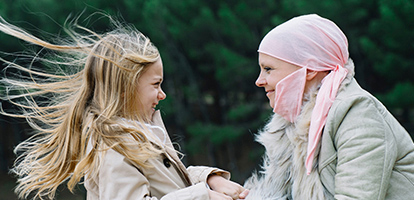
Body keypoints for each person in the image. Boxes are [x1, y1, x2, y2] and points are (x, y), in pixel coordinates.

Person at [0, 15, 248, 200]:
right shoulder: (111, 147)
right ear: (125, 86)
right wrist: (203, 196)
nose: (162, 94)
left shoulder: (136, 136)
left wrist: (209, 179)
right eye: (156, 84)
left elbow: (170, 187)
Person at [243, 14, 414, 199]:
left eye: (268, 69)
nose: (259, 81)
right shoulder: (292, 121)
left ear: (309, 69)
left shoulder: (358, 114)